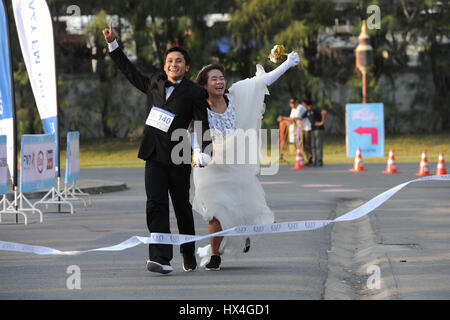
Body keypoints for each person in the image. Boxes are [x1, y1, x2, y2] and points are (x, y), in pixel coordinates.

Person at [102, 22, 211, 274]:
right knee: (155, 205)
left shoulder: (195, 91)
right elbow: (129, 71)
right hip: (153, 154)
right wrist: (112, 44)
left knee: (182, 206)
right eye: (170, 60)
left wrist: (203, 150)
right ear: (164, 66)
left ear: (187, 67)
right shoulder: (154, 82)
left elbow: (201, 122)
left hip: (179, 154)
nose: (174, 64)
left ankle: (187, 250)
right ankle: (160, 258)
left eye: (179, 61)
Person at [192, 51, 300, 270]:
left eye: (221, 77)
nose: (220, 81)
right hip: (210, 167)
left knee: (240, 207)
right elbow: (192, 130)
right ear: (204, 85)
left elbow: (261, 82)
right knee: (216, 211)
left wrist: (287, 64)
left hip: (237, 164)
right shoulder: (198, 106)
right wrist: (196, 152)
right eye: (214, 79)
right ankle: (215, 255)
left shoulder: (235, 95)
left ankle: (240, 235)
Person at [301, 99, 327, 167]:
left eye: (303, 104)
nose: (303, 105)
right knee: (313, 146)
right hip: (312, 129)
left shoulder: (314, 108)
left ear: (306, 104)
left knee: (318, 145)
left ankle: (319, 161)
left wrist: (322, 122)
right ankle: (314, 161)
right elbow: (300, 118)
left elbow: (324, 112)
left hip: (319, 129)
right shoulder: (307, 111)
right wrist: (285, 118)